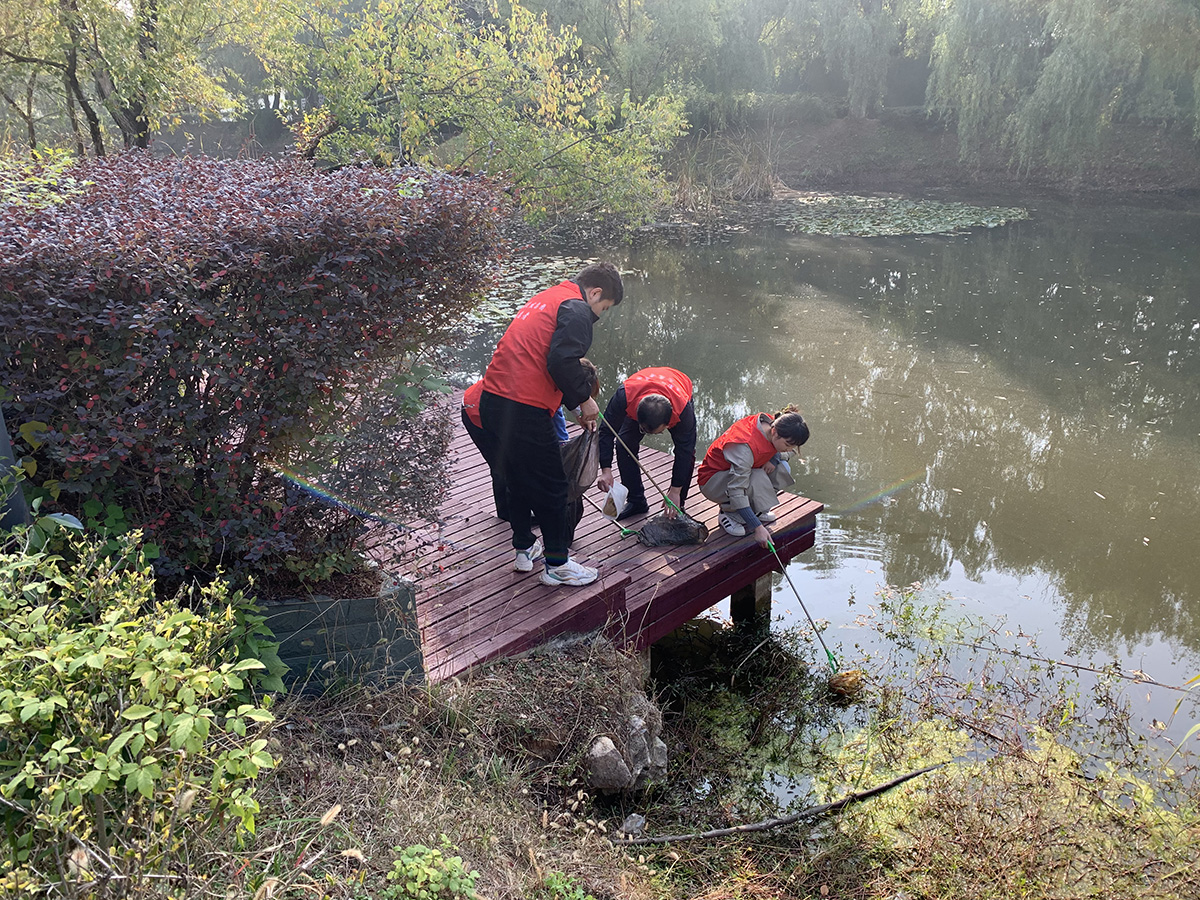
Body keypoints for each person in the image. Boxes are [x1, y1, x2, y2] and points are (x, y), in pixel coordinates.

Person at [479, 263, 623, 587]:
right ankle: (557, 564)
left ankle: (524, 549)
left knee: (517, 479)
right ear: (595, 293)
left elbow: (539, 359)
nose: (600, 314)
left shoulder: (547, 298)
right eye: (604, 308)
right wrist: (584, 399)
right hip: (523, 408)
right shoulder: (577, 308)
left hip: (492, 401)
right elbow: (562, 360)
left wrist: (571, 403)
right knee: (554, 486)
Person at [462, 359, 599, 523]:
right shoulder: (539, 393)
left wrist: (579, 412)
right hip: (477, 411)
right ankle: (507, 517)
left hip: (506, 410)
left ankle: (516, 514)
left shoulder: (557, 377)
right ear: (570, 385)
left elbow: (557, 416)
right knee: (503, 467)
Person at [697, 405, 810, 548]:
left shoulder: (775, 424)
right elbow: (736, 489)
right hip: (713, 481)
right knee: (756, 477)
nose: (789, 450)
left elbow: (787, 453)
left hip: (741, 472)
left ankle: (756, 510)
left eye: (793, 446)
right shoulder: (744, 446)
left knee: (782, 467)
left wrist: (774, 459)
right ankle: (728, 513)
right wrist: (757, 527)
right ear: (774, 432)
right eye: (787, 445)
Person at [596, 367, 697, 521]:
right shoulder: (624, 396)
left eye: (656, 432)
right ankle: (636, 501)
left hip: (678, 387)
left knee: (687, 455)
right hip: (640, 390)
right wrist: (606, 469)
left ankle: (677, 506)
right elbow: (606, 432)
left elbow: (685, 451)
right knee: (624, 444)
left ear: (668, 424)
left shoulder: (683, 411)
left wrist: (675, 490)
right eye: (643, 429)